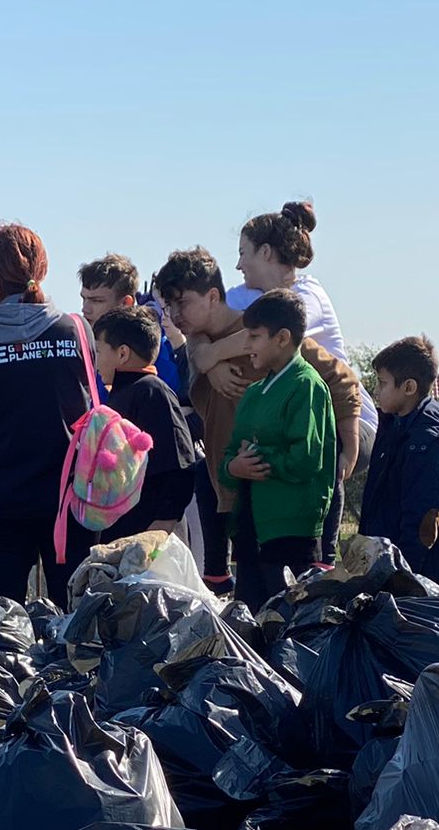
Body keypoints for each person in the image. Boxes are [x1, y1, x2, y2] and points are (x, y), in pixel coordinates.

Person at [151, 247, 366, 588]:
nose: (175, 314)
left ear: (212, 296)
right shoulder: (197, 347)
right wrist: (207, 360)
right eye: (169, 306)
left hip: (284, 503)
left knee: (289, 595)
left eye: (183, 302)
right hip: (239, 492)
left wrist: (349, 448)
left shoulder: (265, 333)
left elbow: (341, 380)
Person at [206, 201, 380, 564]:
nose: (238, 265)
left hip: (349, 420)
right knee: (261, 458)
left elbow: (267, 329)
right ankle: (254, 559)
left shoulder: (307, 295)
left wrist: (212, 355)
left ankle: (322, 557)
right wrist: (207, 362)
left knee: (317, 452)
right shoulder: (247, 295)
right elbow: (204, 318)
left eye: (243, 253)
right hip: (299, 418)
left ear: (266, 253)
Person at [0, 223, 97, 606]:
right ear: (42, 269)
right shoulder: (75, 330)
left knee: (0, 625)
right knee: (76, 619)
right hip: (68, 501)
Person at [218, 290, 337, 609]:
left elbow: (306, 458)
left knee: (289, 621)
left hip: (291, 533)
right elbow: (229, 456)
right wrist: (233, 467)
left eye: (254, 336)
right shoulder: (254, 393)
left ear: (282, 338)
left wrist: (258, 459)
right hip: (250, 530)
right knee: (252, 621)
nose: (246, 346)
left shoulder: (306, 385)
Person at [361, 335, 439, 595]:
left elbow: (424, 520)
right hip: (394, 571)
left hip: (425, 580)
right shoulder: (395, 424)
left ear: (408, 387)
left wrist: (402, 577)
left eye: (382, 383)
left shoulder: (427, 440)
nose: (376, 391)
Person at [90, 305, 199, 541]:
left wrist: (162, 525)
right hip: (120, 531)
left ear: (122, 353)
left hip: (149, 533)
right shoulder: (119, 395)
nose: (94, 361)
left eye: (98, 351)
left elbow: (178, 465)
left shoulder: (151, 391)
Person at [77, 254, 183, 396]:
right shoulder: (75, 349)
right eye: (84, 299)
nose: (85, 309)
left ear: (126, 303)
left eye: (97, 301)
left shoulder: (156, 355)